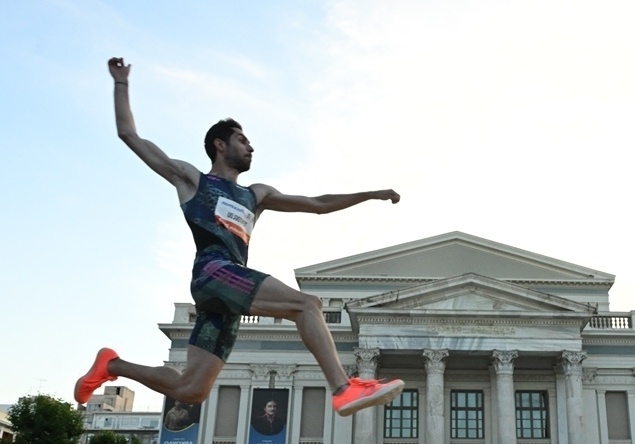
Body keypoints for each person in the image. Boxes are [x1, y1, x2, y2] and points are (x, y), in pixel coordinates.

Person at [74, 57, 405, 421]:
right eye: (243, 140)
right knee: (307, 305)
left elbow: (317, 205)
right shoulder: (193, 180)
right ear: (220, 144)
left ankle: (113, 364)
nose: (251, 148)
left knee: (191, 389)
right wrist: (121, 84)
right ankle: (344, 389)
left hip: (226, 297)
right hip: (213, 272)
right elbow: (130, 136)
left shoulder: (256, 195)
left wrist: (369, 193)